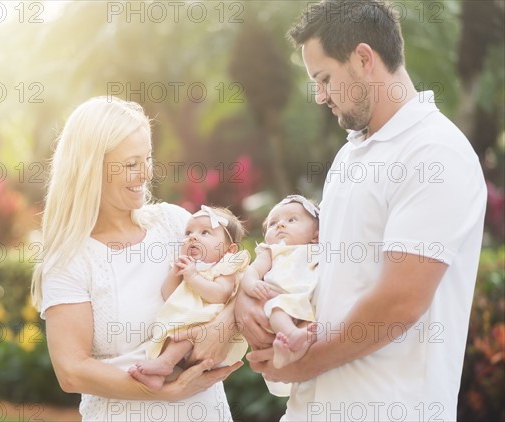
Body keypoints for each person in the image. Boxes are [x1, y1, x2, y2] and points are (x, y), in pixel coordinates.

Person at [236, 1, 487, 421]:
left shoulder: (435, 153)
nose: (319, 95)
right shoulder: (350, 156)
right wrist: (251, 296)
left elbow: (399, 302)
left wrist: (307, 362)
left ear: (364, 59)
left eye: (324, 78)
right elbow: (321, 274)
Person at [31, 96, 242, 421]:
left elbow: (238, 279)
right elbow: (71, 371)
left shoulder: (175, 224)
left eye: (147, 158)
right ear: (90, 169)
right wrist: (167, 392)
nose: (146, 173)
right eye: (131, 164)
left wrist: (222, 327)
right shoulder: (70, 259)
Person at [130, 205, 250, 390]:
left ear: (229, 249)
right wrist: (175, 274)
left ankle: (165, 363)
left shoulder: (225, 267)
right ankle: (160, 376)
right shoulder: (189, 266)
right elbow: (168, 295)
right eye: (188, 232)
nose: (193, 237)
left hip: (208, 329)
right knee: (171, 334)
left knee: (187, 331)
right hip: (188, 328)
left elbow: (221, 294)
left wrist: (193, 277)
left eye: (205, 232)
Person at [241, 195, 320, 370]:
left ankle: (287, 355)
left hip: (308, 304)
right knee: (278, 308)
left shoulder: (319, 250)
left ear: (316, 235)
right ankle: (291, 335)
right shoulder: (272, 251)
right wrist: (252, 284)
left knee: (311, 329)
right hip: (280, 299)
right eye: (272, 223)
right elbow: (251, 270)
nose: (280, 225)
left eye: (292, 220)